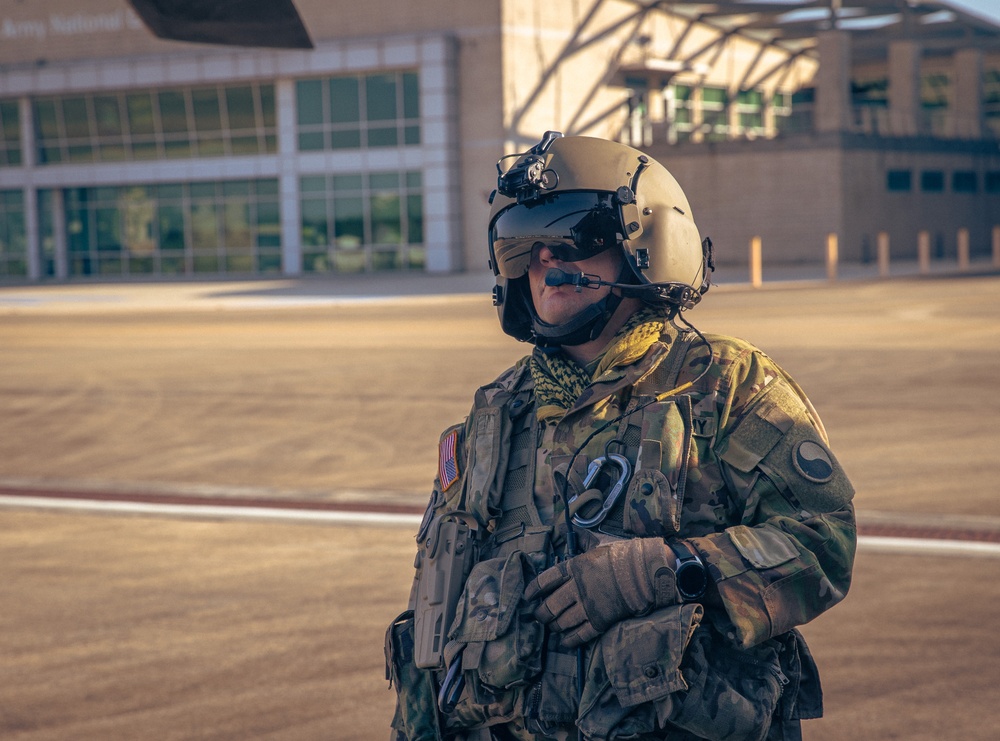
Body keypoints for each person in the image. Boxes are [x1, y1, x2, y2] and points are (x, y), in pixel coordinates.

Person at [386, 132, 856, 741]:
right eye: (525, 248)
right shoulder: (495, 417)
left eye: (573, 239)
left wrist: (666, 569)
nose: (547, 265)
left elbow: (824, 544)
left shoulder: (726, 385)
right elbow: (433, 618)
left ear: (649, 248)